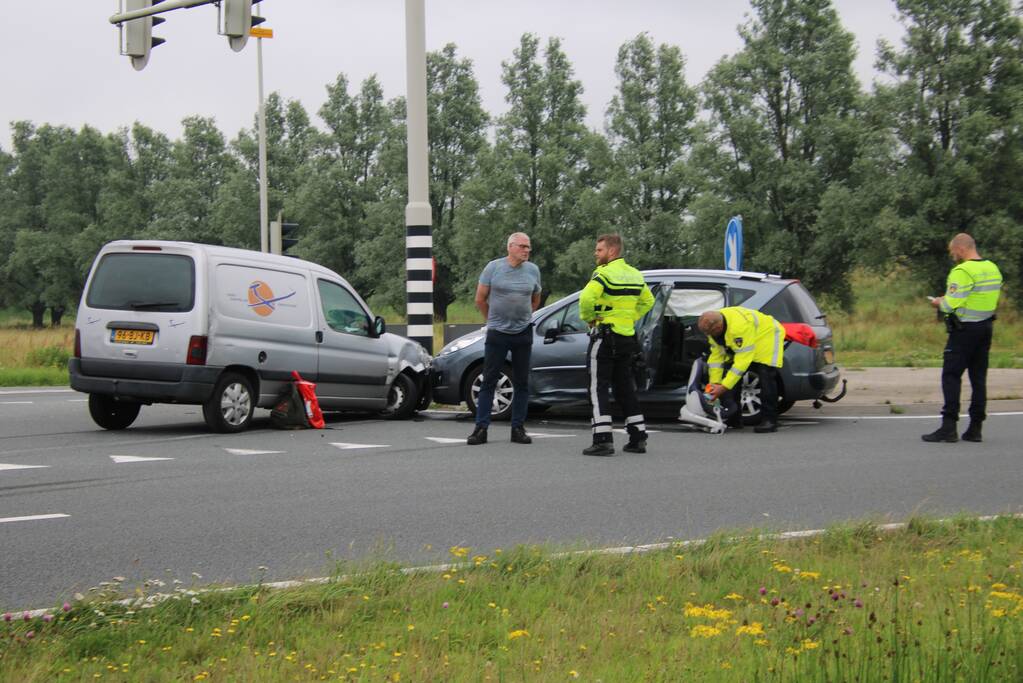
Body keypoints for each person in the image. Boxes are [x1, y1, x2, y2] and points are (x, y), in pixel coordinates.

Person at [922, 233, 1002, 443]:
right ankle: (975, 428)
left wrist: (939, 302)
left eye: (952, 251)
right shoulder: (992, 268)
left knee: (951, 375)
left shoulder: (962, 271)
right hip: (985, 327)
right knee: (978, 378)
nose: (952, 255)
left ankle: (949, 427)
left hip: (964, 330)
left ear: (960, 248)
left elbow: (951, 304)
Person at [578, 234, 655, 456]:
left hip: (604, 336)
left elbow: (585, 300)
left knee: (597, 387)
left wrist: (590, 318)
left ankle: (603, 440)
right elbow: (648, 301)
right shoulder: (635, 274)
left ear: (612, 251)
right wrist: (630, 317)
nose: (596, 253)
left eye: (599, 250)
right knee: (625, 388)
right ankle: (638, 438)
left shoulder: (603, 274)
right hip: (626, 338)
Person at [466, 232, 542, 446]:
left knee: (521, 382)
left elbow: (535, 298)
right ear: (510, 247)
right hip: (498, 332)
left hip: (523, 332)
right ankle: (481, 428)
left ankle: (518, 428)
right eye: (522, 246)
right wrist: (492, 319)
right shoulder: (494, 268)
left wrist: (524, 316)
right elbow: (480, 298)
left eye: (529, 247)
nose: (526, 250)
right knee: (489, 380)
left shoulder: (533, 270)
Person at [697, 307, 785, 433]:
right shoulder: (713, 331)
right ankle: (734, 419)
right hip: (748, 337)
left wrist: (724, 387)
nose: (709, 336)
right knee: (730, 376)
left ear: (718, 327)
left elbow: (742, 361)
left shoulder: (739, 327)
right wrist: (715, 383)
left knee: (766, 375)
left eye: (710, 333)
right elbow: (716, 357)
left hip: (768, 335)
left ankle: (770, 420)